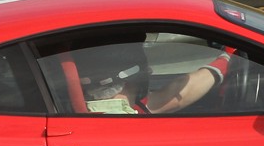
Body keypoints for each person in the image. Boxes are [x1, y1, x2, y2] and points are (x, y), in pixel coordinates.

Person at [76, 41, 231, 115]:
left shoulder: (93, 111)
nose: (150, 71)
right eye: (146, 68)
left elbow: (176, 96)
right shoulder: (123, 122)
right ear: (135, 77)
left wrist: (225, 61)